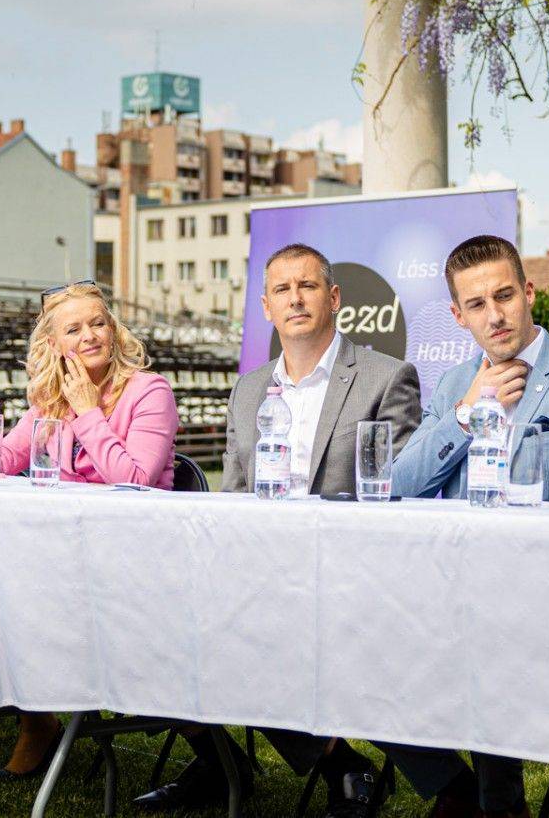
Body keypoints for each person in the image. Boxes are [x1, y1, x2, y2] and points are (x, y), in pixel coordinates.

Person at [134, 243, 422, 818]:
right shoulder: (248, 389)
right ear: (266, 306)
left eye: (308, 286)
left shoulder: (386, 378)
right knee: (154, 617)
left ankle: (324, 763)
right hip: (255, 565)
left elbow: (397, 492)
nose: (296, 298)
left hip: (343, 568)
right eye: (283, 290)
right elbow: (237, 492)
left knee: (248, 634)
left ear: (334, 298)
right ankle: (235, 763)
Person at [384, 234, 549, 818]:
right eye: (476, 305)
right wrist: (469, 412)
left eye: (504, 297)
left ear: (529, 292)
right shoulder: (452, 386)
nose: (494, 316)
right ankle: (456, 788)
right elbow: (400, 482)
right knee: (357, 636)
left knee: (485, 647)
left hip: (537, 595)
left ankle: (499, 802)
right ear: (457, 315)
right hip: (446, 589)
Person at [0, 280, 180, 779]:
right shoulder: (51, 398)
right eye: (73, 329)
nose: (90, 335)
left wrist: (88, 412)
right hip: (62, 548)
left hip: (131, 555)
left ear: (114, 329)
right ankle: (19, 711)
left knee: (10, 588)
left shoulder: (149, 391)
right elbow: (8, 457)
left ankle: (29, 718)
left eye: (98, 323)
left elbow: (136, 481)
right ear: (54, 344)